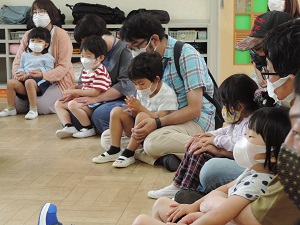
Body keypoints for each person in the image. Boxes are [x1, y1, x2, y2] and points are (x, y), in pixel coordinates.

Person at [192, 11, 296, 199]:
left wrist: (222, 151)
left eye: (261, 49)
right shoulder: (266, 92)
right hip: (264, 164)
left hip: (273, 170)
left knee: (212, 170)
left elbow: (266, 157)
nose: (257, 58)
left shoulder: (287, 98)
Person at [132, 107, 291, 225]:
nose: (243, 141)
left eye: (250, 137)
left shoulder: (258, 183)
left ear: (272, 155)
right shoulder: (252, 171)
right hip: (210, 218)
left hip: (212, 221)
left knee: (141, 221)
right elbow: (222, 189)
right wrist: (193, 207)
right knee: (161, 203)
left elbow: (218, 216)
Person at [100, 13, 215, 172]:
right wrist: (135, 112)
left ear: (153, 40)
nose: (133, 52)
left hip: (193, 121)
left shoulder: (186, 55)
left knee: (152, 142)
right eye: (130, 48)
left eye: (135, 46)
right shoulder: (146, 61)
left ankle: (210, 150)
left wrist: (157, 123)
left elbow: (194, 109)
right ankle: (165, 157)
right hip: (157, 119)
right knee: (108, 138)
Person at [147, 74, 259, 199]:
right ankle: (177, 184)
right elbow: (226, 130)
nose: (223, 108)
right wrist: (209, 135)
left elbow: (238, 143)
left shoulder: (251, 123)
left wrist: (215, 140)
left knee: (201, 154)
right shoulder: (240, 119)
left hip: (239, 160)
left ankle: (186, 189)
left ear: (239, 107)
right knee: (195, 144)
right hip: (230, 154)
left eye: (225, 104)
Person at [92, 52, 178, 167]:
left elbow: (161, 119)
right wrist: (132, 109)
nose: (138, 87)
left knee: (142, 117)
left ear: (156, 79)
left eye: (141, 83)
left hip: (156, 133)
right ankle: (115, 149)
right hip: (139, 133)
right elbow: (136, 116)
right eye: (135, 84)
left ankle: (130, 152)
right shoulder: (142, 90)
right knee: (116, 112)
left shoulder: (167, 94)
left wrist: (140, 109)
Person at [64, 14, 135, 134]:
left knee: (100, 114)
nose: (85, 49)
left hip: (119, 98)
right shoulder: (90, 52)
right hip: (96, 97)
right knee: (70, 110)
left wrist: (96, 99)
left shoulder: (124, 50)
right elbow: (83, 81)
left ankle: (112, 131)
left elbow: (125, 86)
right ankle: (90, 126)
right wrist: (75, 91)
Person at [7, 0, 74, 115]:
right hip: (28, 80)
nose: (38, 15)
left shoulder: (61, 35)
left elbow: (63, 66)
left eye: (42, 12)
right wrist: (19, 74)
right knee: (18, 106)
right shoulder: (28, 34)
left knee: (41, 107)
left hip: (55, 81)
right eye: (35, 12)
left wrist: (44, 75)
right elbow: (18, 60)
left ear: (51, 14)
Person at [55, 35, 111, 139]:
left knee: (72, 104)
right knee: (59, 103)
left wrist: (75, 92)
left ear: (101, 58)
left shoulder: (100, 71)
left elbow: (95, 92)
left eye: (88, 56)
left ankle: (88, 128)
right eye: (82, 56)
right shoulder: (87, 69)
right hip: (86, 100)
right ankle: (68, 126)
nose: (84, 59)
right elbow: (86, 86)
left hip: (96, 104)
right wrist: (77, 87)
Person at [0, 27, 54, 120]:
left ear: (46, 45)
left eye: (39, 41)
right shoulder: (25, 55)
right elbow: (21, 66)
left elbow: (49, 71)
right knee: (11, 82)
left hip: (38, 82)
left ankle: (33, 109)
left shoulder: (48, 57)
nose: (35, 43)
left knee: (29, 82)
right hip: (25, 80)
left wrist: (40, 71)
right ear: (28, 42)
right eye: (32, 40)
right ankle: (11, 108)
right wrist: (20, 73)